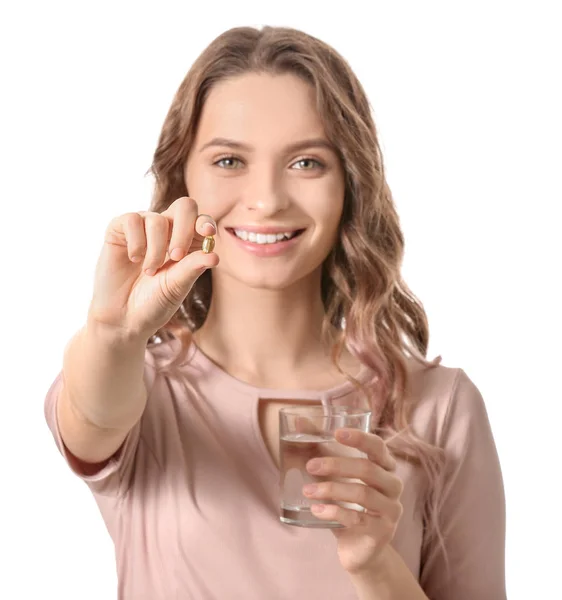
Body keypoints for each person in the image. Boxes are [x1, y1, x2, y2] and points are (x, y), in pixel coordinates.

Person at [44, 25, 506, 600]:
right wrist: (113, 335)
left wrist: (373, 564)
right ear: (183, 177)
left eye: (308, 163)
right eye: (230, 159)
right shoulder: (140, 385)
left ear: (349, 185)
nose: (267, 199)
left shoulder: (441, 409)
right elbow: (93, 412)